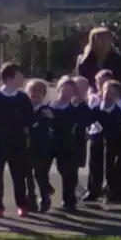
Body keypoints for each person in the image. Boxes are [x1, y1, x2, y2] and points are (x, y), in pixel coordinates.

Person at [0, 62, 34, 218]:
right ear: (9, 78)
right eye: (19, 75)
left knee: (18, 175)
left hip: (18, 141)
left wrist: (18, 120)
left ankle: (22, 204)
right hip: (1, 141)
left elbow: (29, 118)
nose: (22, 78)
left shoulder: (22, 98)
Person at [95, 80, 121, 204]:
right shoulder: (96, 109)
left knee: (119, 168)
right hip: (105, 143)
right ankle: (109, 192)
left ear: (118, 97)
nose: (108, 94)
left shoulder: (118, 112)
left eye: (114, 93)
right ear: (101, 91)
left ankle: (120, 195)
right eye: (106, 90)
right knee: (108, 168)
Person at [49, 76, 82, 211]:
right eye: (64, 89)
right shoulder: (51, 106)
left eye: (70, 91)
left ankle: (69, 200)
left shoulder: (76, 107)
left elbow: (84, 119)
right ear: (58, 90)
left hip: (69, 145)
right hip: (52, 143)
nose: (66, 93)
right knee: (41, 169)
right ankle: (47, 190)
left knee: (68, 173)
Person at [82, 69, 114, 202]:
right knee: (94, 163)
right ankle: (93, 190)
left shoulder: (115, 98)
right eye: (99, 82)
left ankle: (111, 190)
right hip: (95, 133)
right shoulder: (93, 97)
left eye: (104, 82)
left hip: (111, 134)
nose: (101, 85)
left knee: (110, 163)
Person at [24, 79, 54, 213]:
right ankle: (30, 199)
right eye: (32, 90)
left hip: (41, 146)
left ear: (44, 94)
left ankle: (45, 197)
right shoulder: (24, 109)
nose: (34, 94)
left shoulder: (46, 109)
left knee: (40, 173)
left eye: (38, 91)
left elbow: (49, 124)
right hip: (26, 146)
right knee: (27, 174)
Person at [76, 27, 121, 91]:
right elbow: (81, 82)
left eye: (108, 39)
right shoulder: (83, 61)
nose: (104, 43)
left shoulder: (117, 60)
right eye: (101, 40)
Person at [72, 76, 92, 170]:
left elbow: (93, 123)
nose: (80, 91)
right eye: (77, 87)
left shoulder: (86, 108)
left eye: (84, 88)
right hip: (64, 143)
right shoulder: (64, 104)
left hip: (79, 142)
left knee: (74, 167)